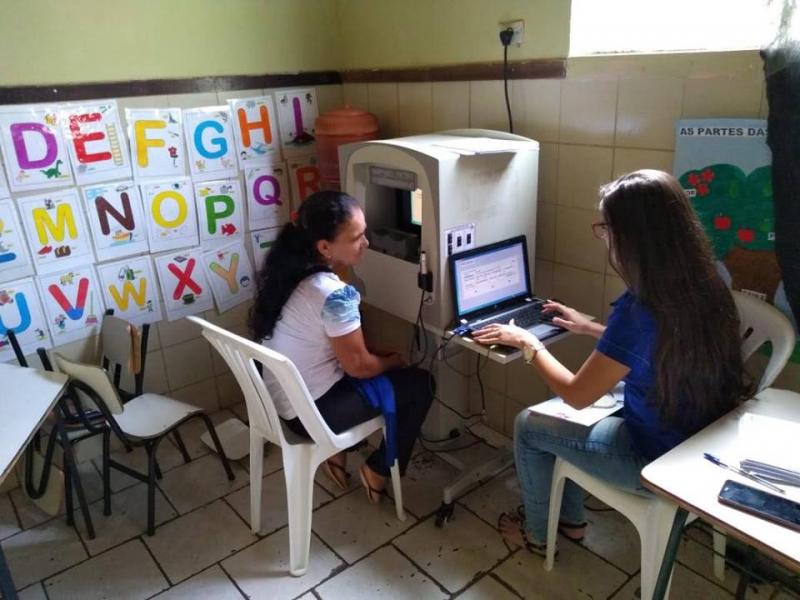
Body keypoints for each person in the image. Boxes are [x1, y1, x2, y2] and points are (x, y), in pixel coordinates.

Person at [472, 169, 752, 554]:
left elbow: (577, 395)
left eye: (607, 230)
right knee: (568, 418)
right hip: (697, 433)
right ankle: (568, 522)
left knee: (530, 426)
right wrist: (590, 328)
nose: (606, 239)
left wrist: (526, 342)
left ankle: (539, 535)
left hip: (655, 456)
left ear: (633, 238)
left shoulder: (639, 308)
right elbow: (658, 345)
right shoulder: (706, 282)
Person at [249, 191, 433, 501]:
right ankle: (378, 469)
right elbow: (358, 368)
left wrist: (374, 356)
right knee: (421, 384)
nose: (367, 243)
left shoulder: (288, 273)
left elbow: (333, 347)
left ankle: (338, 457)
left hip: (280, 402)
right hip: (311, 416)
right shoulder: (333, 294)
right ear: (324, 247)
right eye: (357, 237)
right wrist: (393, 362)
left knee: (370, 366)